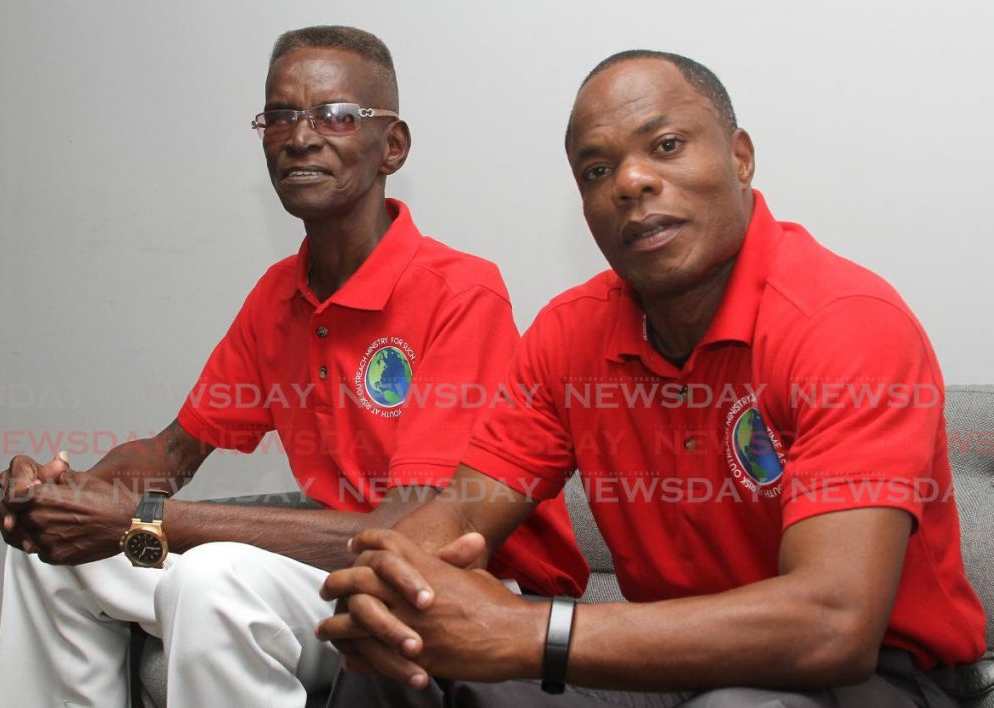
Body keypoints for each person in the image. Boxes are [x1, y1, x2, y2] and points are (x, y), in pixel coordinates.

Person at [316, 50, 987, 707]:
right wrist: (390, 585)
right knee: (395, 660)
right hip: (659, 657)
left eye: (665, 146)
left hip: (879, 676)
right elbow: (462, 510)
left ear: (740, 157)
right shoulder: (569, 334)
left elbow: (833, 624)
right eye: (597, 169)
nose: (630, 182)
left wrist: (530, 632)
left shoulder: (843, 323)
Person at [0, 26, 587, 708]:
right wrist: (69, 497)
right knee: (53, 562)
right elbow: (169, 453)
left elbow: (408, 534)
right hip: (323, 574)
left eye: (335, 116)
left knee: (212, 578)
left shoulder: (459, 291)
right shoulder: (280, 294)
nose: (301, 136)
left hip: (466, 591)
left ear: (392, 145)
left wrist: (142, 519)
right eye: (279, 116)